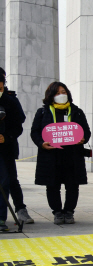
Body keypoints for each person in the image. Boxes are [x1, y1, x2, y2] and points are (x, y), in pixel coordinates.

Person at [30, 82, 91, 225]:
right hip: (51, 156)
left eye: (63, 92)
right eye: (57, 93)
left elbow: (86, 131)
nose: (61, 95)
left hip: (72, 156)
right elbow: (34, 132)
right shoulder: (43, 112)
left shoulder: (77, 111)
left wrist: (83, 139)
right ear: (51, 96)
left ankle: (69, 212)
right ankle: (57, 212)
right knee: (52, 185)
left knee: (73, 185)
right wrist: (41, 143)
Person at [0, 67, 32, 225]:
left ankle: (20, 210)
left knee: (10, 179)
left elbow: (19, 121)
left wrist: (6, 137)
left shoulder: (10, 99)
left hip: (7, 147)